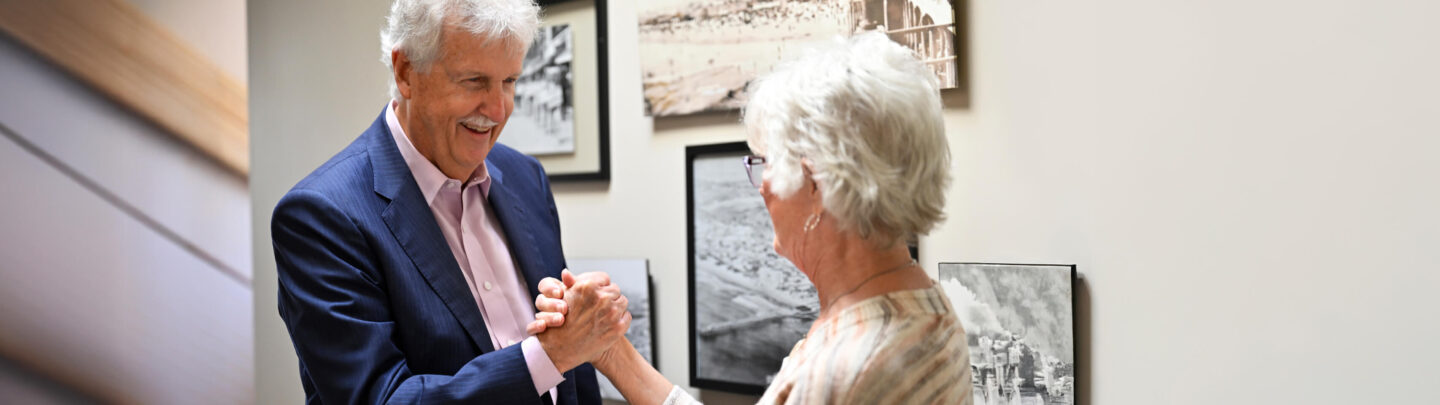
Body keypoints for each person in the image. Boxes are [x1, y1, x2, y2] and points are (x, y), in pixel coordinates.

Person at [528, 32, 974, 404]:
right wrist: (610, 350)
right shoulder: (923, 304)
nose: (761, 186)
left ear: (816, 185)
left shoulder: (842, 371)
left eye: (766, 162)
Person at [270, 0, 629, 403]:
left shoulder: (526, 178)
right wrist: (550, 355)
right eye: (474, 81)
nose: (498, 110)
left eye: (509, 81)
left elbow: (576, 373)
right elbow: (382, 397)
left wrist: (577, 334)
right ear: (406, 72)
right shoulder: (320, 216)